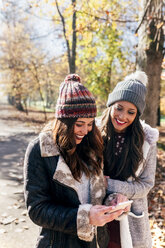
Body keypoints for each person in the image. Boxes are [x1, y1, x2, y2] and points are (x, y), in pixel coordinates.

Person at [24, 74, 127, 248]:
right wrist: (84, 217)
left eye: (89, 124)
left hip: (96, 243)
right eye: (79, 124)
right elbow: (37, 209)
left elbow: (93, 196)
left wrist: (113, 202)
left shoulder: (92, 146)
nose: (85, 130)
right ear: (64, 120)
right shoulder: (40, 150)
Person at [99, 71, 159, 248]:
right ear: (111, 105)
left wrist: (109, 185)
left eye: (131, 112)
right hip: (95, 212)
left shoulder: (146, 141)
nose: (123, 116)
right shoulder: (93, 131)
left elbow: (146, 185)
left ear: (137, 114)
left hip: (128, 218)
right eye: (119, 108)